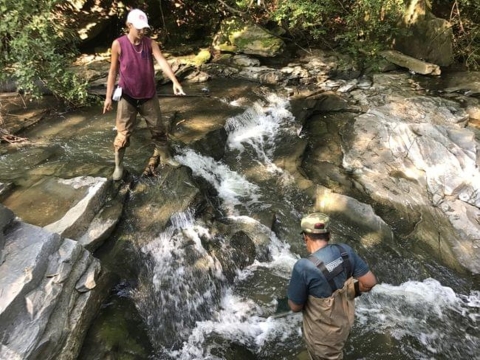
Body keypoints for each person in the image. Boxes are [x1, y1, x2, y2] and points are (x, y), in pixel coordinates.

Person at [103, 8, 185, 180]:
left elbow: (162, 61)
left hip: (148, 95)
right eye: (138, 28)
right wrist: (108, 97)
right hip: (127, 96)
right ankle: (118, 166)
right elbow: (112, 72)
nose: (142, 31)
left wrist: (175, 82)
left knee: (158, 129)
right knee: (123, 134)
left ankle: (165, 156)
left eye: (144, 28)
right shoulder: (118, 44)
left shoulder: (150, 43)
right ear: (129, 25)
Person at [287, 212, 377, 360]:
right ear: (328, 235)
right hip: (344, 322)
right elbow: (369, 282)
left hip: (324, 335)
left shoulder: (303, 266)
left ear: (305, 237)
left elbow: (295, 307)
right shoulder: (345, 251)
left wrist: (292, 297)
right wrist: (350, 291)